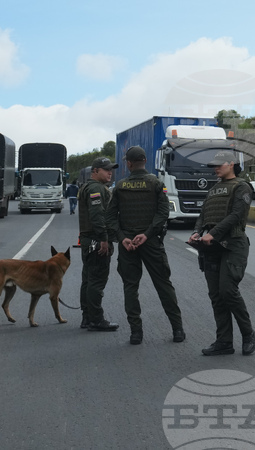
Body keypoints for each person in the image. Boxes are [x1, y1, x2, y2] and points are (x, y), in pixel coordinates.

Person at [106, 146, 184, 345]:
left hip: (128, 245)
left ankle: (136, 333)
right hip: (150, 243)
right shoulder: (156, 184)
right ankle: (177, 330)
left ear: (129, 163)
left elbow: (111, 217)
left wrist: (123, 237)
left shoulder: (120, 186)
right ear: (145, 161)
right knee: (164, 285)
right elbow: (163, 213)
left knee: (130, 287)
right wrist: (148, 234)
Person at [188, 150, 255, 356]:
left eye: (219, 164)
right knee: (216, 295)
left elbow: (237, 215)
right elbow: (203, 215)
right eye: (213, 165)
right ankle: (224, 341)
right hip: (213, 247)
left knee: (228, 290)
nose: (215, 168)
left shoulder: (242, 187)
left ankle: (248, 334)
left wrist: (214, 234)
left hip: (233, 244)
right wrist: (197, 232)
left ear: (232, 164)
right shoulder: (214, 189)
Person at [77, 157, 120, 331]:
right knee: (96, 280)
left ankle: (87, 317)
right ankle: (96, 319)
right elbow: (97, 216)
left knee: (88, 280)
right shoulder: (96, 189)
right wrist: (104, 239)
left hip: (89, 240)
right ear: (95, 171)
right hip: (96, 240)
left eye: (111, 169)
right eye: (106, 169)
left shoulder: (89, 187)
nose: (110, 172)